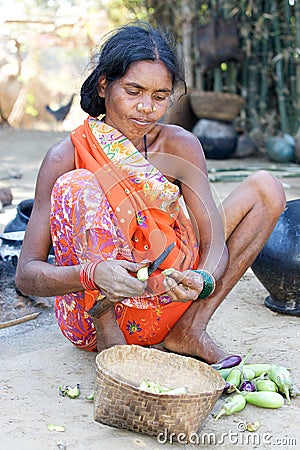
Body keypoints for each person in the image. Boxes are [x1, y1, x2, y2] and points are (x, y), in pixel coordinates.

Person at [16, 22, 286, 364]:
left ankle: (190, 329)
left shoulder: (180, 145)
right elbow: (27, 275)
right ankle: (111, 341)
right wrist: (92, 274)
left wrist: (202, 279)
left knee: (267, 188)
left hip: (170, 297)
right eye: (134, 91)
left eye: (160, 97)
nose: (147, 107)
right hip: (94, 315)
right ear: (103, 86)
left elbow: (213, 241)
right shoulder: (66, 155)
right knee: (77, 184)